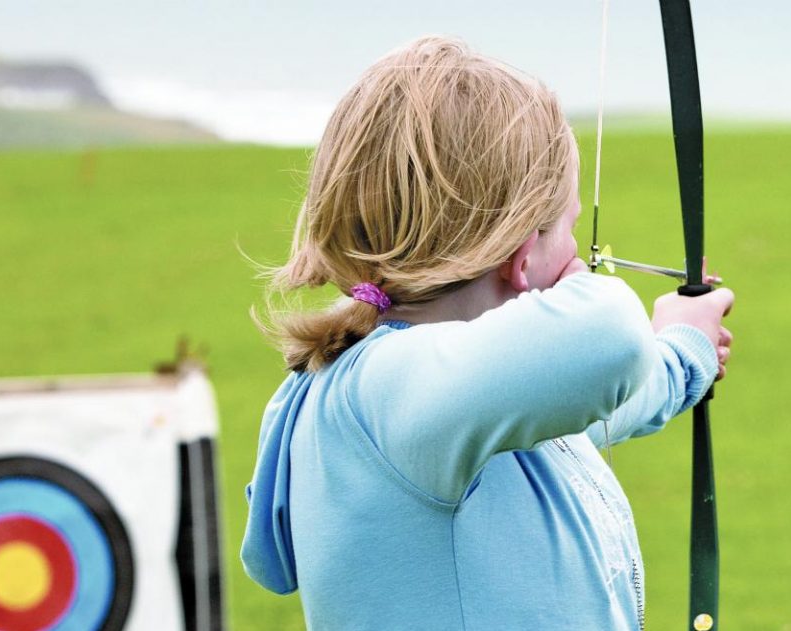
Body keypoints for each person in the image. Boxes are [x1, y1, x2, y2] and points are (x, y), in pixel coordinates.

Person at [239, 36, 735, 630]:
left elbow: (605, 401)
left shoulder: (459, 403)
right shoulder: (391, 394)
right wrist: (585, 292)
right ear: (522, 259)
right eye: (569, 228)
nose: (581, 255)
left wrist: (683, 350)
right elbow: (609, 339)